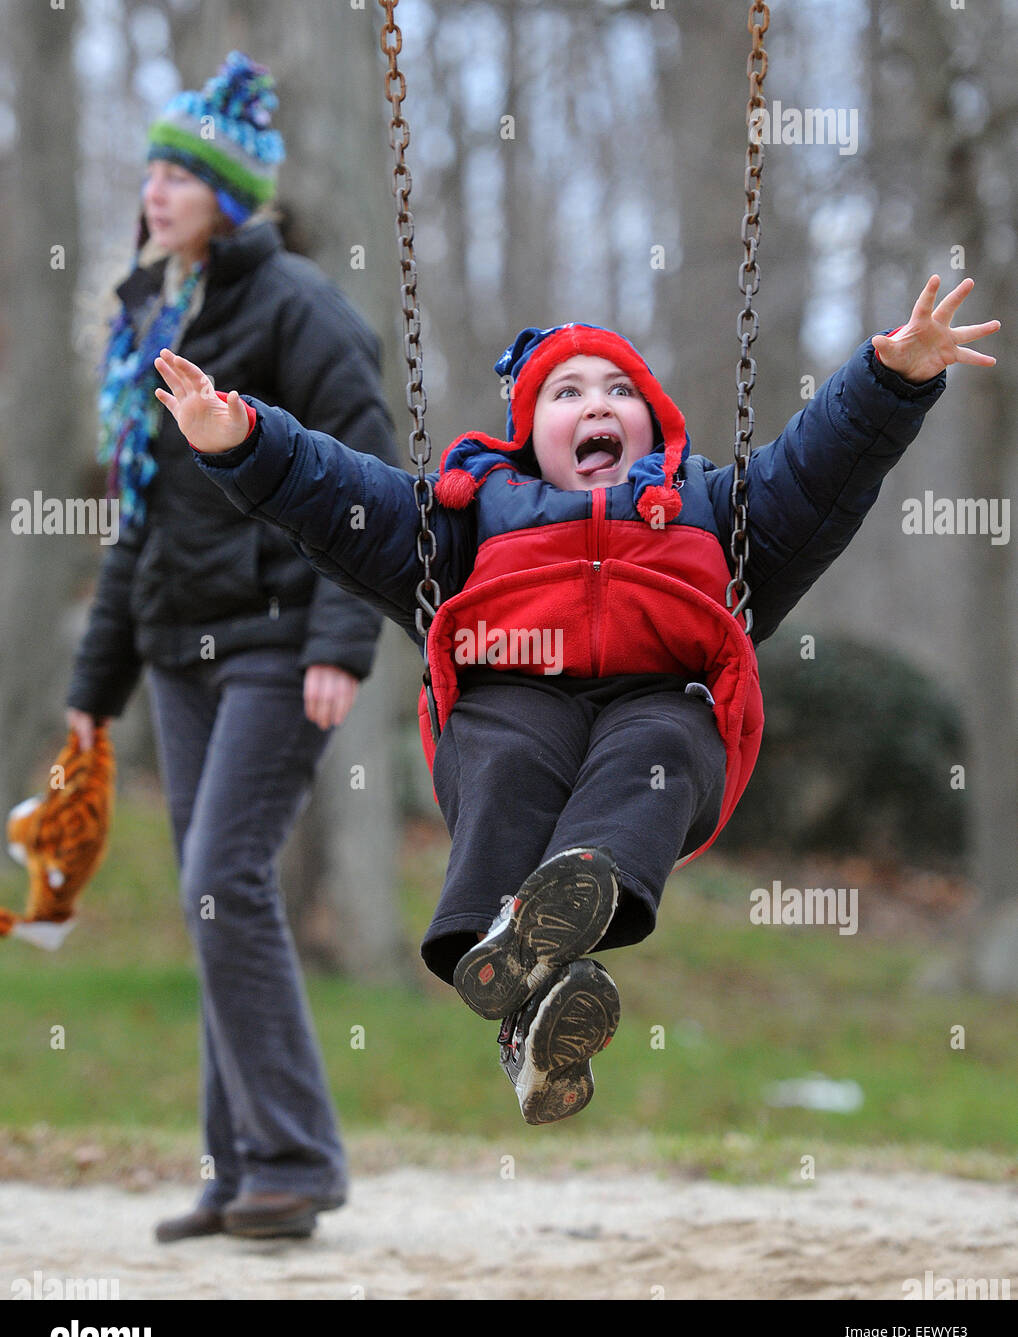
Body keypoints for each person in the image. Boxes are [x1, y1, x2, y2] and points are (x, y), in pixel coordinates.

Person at [151, 277, 999, 1126]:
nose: (599, 404)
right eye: (569, 392)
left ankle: (570, 895)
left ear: (653, 420)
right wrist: (245, 441)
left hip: (660, 696)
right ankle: (524, 1000)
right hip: (512, 693)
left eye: (620, 390)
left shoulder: (707, 505)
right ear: (529, 435)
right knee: (505, 759)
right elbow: (343, 499)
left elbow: (821, 470)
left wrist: (890, 380)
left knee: (660, 749)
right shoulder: (471, 514)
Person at [66, 53, 400, 1235]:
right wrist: (92, 686)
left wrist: (341, 638)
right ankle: (240, 1166)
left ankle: (296, 1158)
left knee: (224, 879)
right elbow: (139, 513)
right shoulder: (151, 315)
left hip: (276, 641)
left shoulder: (298, 308)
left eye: (181, 173)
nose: (155, 189)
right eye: (151, 168)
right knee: (211, 898)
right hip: (178, 648)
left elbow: (366, 480)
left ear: (231, 193)